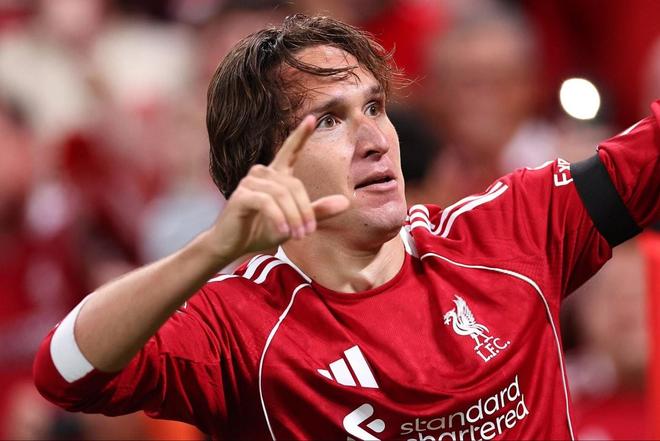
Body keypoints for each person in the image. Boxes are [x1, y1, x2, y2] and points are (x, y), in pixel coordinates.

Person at [33, 14, 659, 440]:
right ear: (266, 167)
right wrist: (212, 250)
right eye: (330, 120)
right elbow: (66, 371)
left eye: (375, 107)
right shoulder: (238, 326)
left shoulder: (512, 230)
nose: (375, 139)